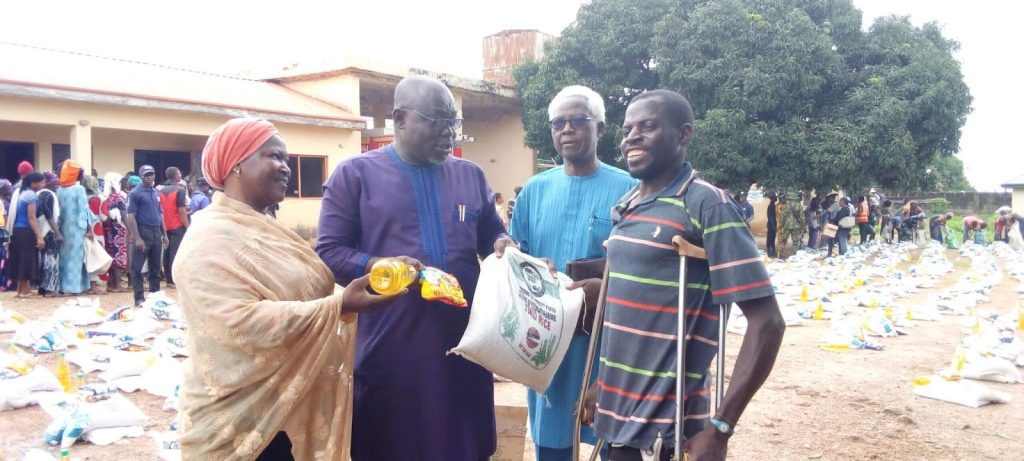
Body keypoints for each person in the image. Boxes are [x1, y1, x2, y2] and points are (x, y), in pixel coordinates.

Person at [173, 117, 399, 460]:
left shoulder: (268, 230)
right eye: (273, 157)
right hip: (240, 420)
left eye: (285, 158)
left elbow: (306, 291)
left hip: (287, 411)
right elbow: (237, 325)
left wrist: (362, 289)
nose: (285, 167)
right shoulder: (209, 240)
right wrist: (336, 307)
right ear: (236, 165)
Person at [316, 75, 507, 461]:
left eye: (454, 123)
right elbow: (330, 252)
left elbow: (494, 237)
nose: (449, 133)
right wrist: (379, 267)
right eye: (438, 122)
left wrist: (506, 246)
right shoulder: (354, 176)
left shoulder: (470, 175)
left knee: (464, 446)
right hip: (393, 347)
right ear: (400, 119)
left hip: (464, 346)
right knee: (392, 445)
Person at [586, 90, 784, 461]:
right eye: (627, 129)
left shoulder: (707, 204)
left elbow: (768, 322)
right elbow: (629, 310)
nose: (632, 137)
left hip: (667, 432)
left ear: (684, 134)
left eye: (648, 126)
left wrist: (721, 427)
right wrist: (603, 385)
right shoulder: (626, 205)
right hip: (615, 423)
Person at [496, 85, 635, 461]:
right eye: (559, 123)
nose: (567, 130)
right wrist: (509, 252)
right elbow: (518, 253)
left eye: (578, 120)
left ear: (600, 129)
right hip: (548, 340)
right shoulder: (535, 191)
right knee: (554, 440)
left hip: (607, 342)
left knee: (613, 442)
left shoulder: (629, 190)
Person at [126, 165, 167, 306]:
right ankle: (139, 298)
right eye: (146, 175)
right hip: (143, 231)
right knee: (137, 267)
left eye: (151, 174)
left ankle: (155, 296)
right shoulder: (135, 193)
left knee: (155, 268)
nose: (149, 177)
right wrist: (137, 237)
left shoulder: (155, 192)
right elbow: (130, 216)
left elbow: (160, 215)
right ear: (141, 176)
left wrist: (164, 234)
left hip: (156, 232)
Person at [57, 161, 97, 295]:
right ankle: (75, 287)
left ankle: (64, 287)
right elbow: (84, 211)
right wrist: (89, 229)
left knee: (64, 257)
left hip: (63, 229)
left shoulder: (59, 190)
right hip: (77, 229)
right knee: (77, 258)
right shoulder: (79, 189)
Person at [9, 172, 46, 298]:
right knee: (26, 258)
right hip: (26, 230)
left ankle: (21, 289)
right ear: (33, 183)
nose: (42, 185)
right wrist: (39, 236)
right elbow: (31, 217)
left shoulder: (22, 193)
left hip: (17, 230)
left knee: (21, 258)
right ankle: (25, 291)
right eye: (41, 182)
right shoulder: (31, 195)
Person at [158, 167, 190, 287]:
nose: (180, 175)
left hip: (165, 225)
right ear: (176, 175)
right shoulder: (180, 190)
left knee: (166, 252)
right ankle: (174, 278)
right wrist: (188, 226)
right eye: (179, 173)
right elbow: (182, 211)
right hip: (177, 225)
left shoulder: (159, 190)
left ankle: (168, 279)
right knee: (175, 252)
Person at [37, 172, 63, 296]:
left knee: (43, 260)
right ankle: (50, 289)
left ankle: (42, 287)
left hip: (41, 231)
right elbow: (49, 214)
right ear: (48, 182)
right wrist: (57, 232)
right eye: (54, 181)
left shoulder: (40, 194)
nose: (57, 183)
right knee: (51, 260)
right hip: (49, 231)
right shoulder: (48, 194)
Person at [102, 173, 129, 292]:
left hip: (108, 230)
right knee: (119, 256)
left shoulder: (105, 197)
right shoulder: (118, 197)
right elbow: (123, 215)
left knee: (111, 255)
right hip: (119, 230)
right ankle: (118, 285)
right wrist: (130, 229)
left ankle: (110, 284)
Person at [84, 174, 106, 292]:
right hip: (97, 230)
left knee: (86, 256)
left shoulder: (82, 197)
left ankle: (86, 284)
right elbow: (104, 217)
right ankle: (93, 286)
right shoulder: (100, 198)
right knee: (96, 256)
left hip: (83, 229)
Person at [777, 193, 805, 258]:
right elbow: (802, 218)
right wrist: (803, 226)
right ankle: (795, 255)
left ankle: (780, 255)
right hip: (796, 226)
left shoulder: (786, 206)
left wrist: (780, 226)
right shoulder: (799, 206)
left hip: (787, 226)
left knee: (783, 241)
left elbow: (782, 217)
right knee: (795, 241)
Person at [0, 179, 13, 291]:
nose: (10, 189)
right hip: (3, 233)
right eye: (7, 188)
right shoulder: (4, 203)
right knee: (3, 257)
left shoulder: (7, 202)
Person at [765, 193, 777, 258]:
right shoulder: (770, 206)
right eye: (775, 197)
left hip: (773, 224)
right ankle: (769, 251)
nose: (776, 198)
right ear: (772, 199)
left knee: (772, 238)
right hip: (771, 225)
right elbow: (770, 218)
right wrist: (773, 226)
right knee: (770, 238)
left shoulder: (773, 206)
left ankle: (772, 251)